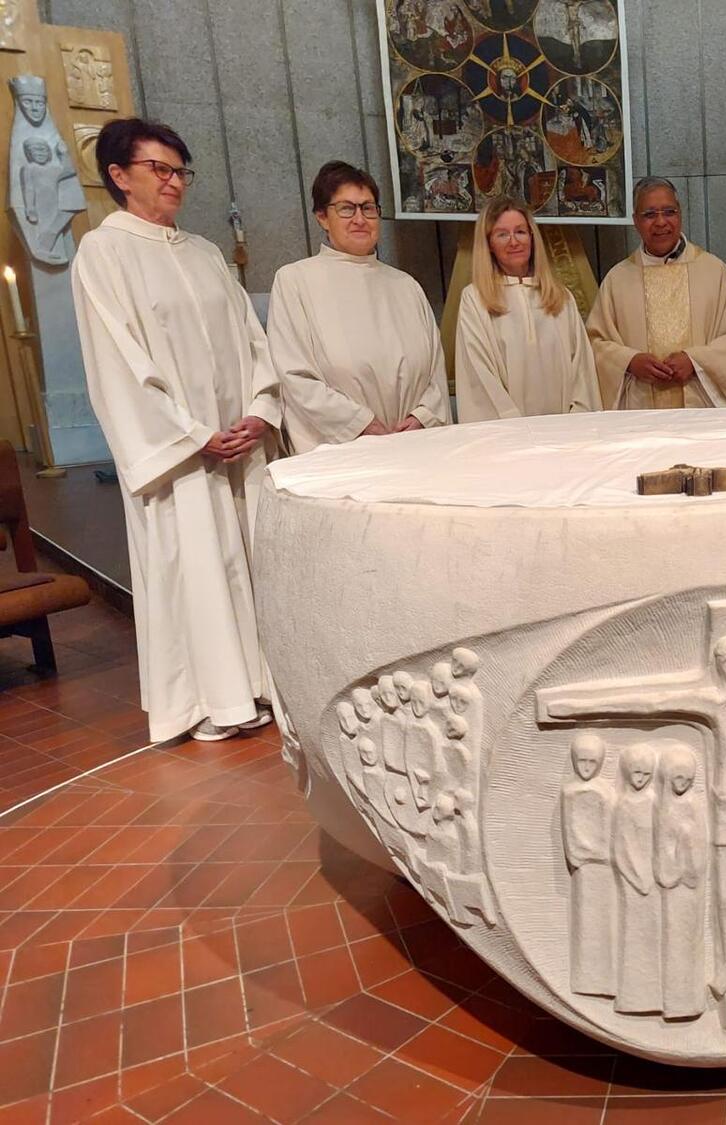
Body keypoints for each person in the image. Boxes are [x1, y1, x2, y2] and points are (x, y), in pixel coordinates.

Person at [72, 118, 280, 743]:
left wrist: (259, 409)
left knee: (248, 563)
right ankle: (206, 702)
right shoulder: (104, 253)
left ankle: (259, 684)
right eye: (159, 169)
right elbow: (118, 363)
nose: (174, 182)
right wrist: (191, 435)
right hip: (182, 456)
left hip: (238, 445)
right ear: (118, 175)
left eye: (181, 170)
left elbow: (252, 339)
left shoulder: (205, 252)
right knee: (193, 569)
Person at [268, 160, 450, 454]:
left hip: (413, 445)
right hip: (342, 450)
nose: (359, 219)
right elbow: (295, 377)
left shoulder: (406, 286)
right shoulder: (295, 281)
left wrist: (423, 416)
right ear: (322, 217)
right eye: (346, 209)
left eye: (368, 208)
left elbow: (435, 371)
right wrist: (361, 424)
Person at [587, 177, 726, 409]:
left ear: (680, 214)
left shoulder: (715, 272)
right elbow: (594, 343)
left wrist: (695, 361)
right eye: (650, 214)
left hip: (701, 408)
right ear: (635, 221)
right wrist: (629, 361)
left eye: (669, 212)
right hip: (640, 408)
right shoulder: (618, 279)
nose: (661, 222)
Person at [454, 194, 600, 420]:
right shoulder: (476, 299)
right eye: (502, 234)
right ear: (489, 244)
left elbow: (582, 372)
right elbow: (478, 376)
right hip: (508, 434)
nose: (514, 242)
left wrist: (575, 424)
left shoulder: (560, 297)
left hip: (565, 432)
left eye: (520, 232)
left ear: (532, 237)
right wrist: (518, 432)